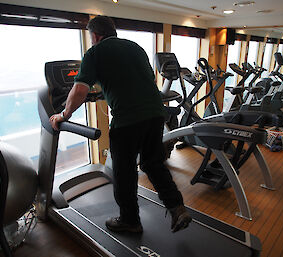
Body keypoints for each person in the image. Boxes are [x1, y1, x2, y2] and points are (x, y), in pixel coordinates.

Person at [49, 15, 192, 233]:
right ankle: (177, 207)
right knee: (153, 164)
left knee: (124, 172)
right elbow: (138, 80)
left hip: (127, 120)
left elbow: (80, 89)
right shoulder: (136, 48)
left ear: (95, 36)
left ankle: (130, 220)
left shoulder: (94, 53)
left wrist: (63, 115)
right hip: (155, 114)